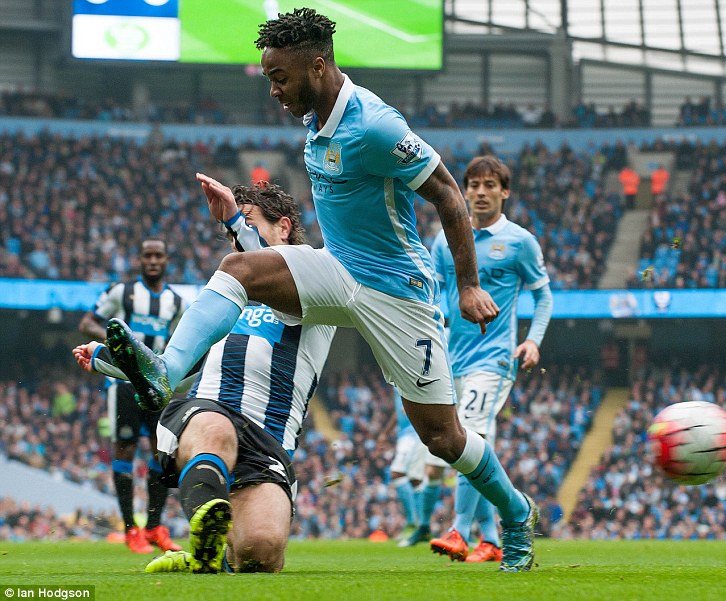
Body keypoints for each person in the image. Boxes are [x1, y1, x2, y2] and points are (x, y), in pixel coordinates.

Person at [102, 8, 538, 572]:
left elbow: (449, 195)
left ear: (316, 66)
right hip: (337, 269)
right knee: (240, 269)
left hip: (397, 293)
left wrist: (469, 285)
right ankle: (166, 370)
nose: (274, 90)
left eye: (280, 77)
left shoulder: (374, 126)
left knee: (443, 438)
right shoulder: (314, 119)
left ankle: (516, 513)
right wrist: (236, 221)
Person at [76, 183, 334, 573]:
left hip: (269, 442)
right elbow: (176, 376)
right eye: (235, 233)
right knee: (215, 427)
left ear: (284, 227)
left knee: (260, 553)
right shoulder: (223, 299)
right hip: (207, 413)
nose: (237, 241)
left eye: (250, 224)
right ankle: (205, 541)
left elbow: (266, 264)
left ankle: (206, 559)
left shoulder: (319, 282)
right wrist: (109, 360)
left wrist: (233, 221)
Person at [424, 155, 552, 563]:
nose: (480, 192)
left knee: (471, 433)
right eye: (474, 185)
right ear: (464, 190)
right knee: (471, 447)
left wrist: (533, 341)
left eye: (490, 185)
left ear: (504, 192)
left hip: (494, 358)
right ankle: (493, 538)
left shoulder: (520, 241)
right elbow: (434, 296)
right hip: (452, 358)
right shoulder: (444, 240)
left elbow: (543, 296)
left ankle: (459, 530)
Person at [78, 239, 186, 555]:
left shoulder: (176, 302)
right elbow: (87, 323)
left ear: (166, 260)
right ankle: (130, 530)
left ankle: (153, 527)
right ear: (139, 260)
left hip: (157, 385)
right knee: (124, 449)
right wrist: (119, 345)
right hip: (123, 383)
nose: (152, 260)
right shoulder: (121, 292)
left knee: (161, 451)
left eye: (158, 255)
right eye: (147, 255)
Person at [376, 390, 428, 547]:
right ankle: (422, 526)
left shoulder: (407, 377)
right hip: (405, 435)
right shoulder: (395, 384)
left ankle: (413, 523)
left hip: (415, 433)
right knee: (415, 480)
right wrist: (386, 432)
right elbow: (399, 411)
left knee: (397, 473)